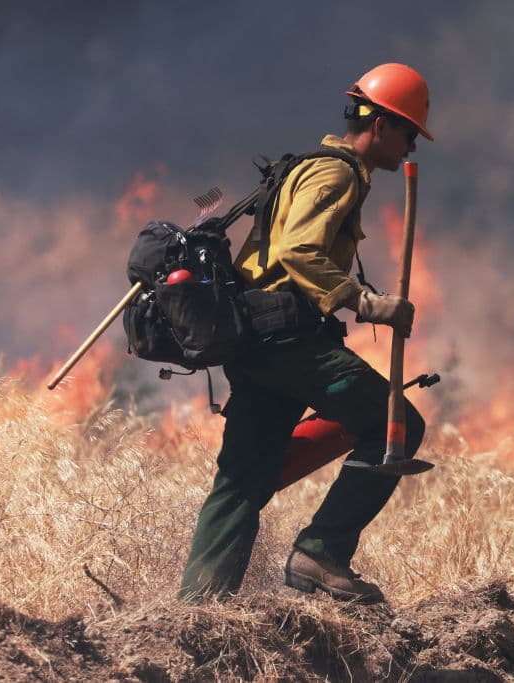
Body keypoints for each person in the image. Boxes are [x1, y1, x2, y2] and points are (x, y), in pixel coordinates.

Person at [178, 63, 434, 604]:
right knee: (398, 426)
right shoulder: (337, 172)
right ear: (381, 124)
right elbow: (298, 250)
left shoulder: (313, 167)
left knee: (242, 484)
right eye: (409, 132)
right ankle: (320, 552)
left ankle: (196, 614)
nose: (411, 147)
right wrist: (368, 303)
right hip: (290, 344)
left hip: (258, 345)